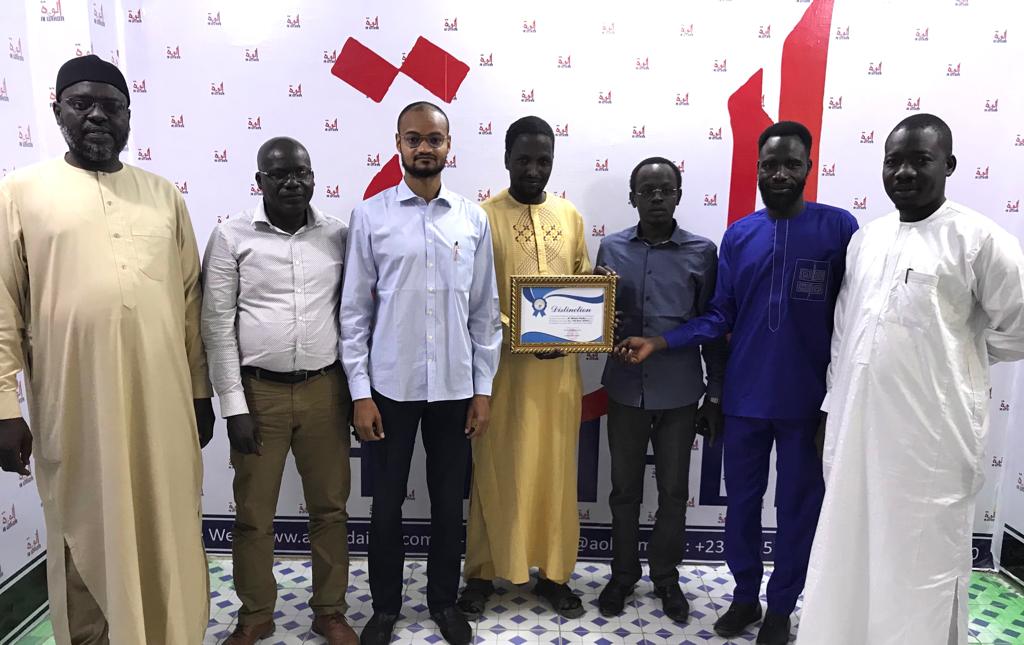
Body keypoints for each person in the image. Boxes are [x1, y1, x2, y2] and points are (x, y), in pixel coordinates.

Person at [616, 122, 858, 645]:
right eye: (770, 165)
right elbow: (719, 315)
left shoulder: (839, 228)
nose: (780, 173)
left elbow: (852, 316)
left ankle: (781, 608)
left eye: (791, 164)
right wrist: (662, 343)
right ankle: (745, 597)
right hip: (745, 398)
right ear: (757, 170)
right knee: (742, 505)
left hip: (808, 402)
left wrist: (839, 400)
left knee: (797, 509)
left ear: (808, 167)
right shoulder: (740, 235)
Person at [0, 55, 214, 644]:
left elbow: (191, 305)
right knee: (85, 526)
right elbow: (2, 310)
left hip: (163, 406)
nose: (97, 116)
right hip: (76, 407)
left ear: (128, 116)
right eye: (82, 104)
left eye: (111, 106)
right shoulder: (20, 192)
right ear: (58, 112)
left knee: (168, 523)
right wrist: (4, 409)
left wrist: (200, 394)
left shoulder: (163, 196)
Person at [797, 114, 1024, 645]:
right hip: (856, 425)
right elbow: (845, 332)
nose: (903, 172)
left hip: (931, 441)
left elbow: (1018, 329)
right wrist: (831, 409)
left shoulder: (980, 240)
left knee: (920, 558)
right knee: (850, 546)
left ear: (949, 165)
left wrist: (957, 358)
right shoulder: (866, 240)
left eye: (920, 160)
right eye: (893, 161)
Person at [340, 101, 502, 645]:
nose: (424, 147)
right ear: (398, 145)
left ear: (449, 145)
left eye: (434, 138)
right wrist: (360, 393)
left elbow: (484, 312)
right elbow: (354, 314)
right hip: (390, 387)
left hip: (455, 388)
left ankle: (443, 603)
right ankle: (385, 608)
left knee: (448, 505)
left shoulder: (471, 219)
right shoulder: (371, 216)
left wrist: (482, 390)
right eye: (414, 138)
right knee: (386, 506)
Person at [201, 137, 357, 645]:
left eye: (300, 172)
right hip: (258, 396)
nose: (292, 182)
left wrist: (358, 393)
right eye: (279, 174)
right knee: (253, 516)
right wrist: (233, 406)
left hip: (325, 391)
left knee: (330, 511)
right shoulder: (231, 236)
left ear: (313, 177)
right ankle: (255, 615)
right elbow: (216, 326)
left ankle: (330, 610)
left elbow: (355, 316)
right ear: (259, 182)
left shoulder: (338, 235)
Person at [458, 116, 593, 620]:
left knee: (555, 471)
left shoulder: (570, 216)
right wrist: (523, 331)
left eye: (543, 161)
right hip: (501, 374)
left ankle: (555, 574)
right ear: (506, 159)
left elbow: (583, 284)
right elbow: (474, 298)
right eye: (524, 160)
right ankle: (481, 573)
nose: (534, 170)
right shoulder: (482, 218)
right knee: (496, 471)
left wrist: (587, 318)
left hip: (558, 377)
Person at [594, 157, 726, 623]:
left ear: (678, 195)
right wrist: (596, 326)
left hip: (680, 393)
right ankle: (622, 575)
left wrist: (715, 395)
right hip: (625, 389)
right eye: (646, 190)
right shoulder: (611, 248)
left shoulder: (702, 252)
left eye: (665, 190)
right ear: (632, 197)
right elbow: (597, 316)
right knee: (623, 491)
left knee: (673, 492)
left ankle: (667, 579)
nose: (656, 198)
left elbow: (714, 324)